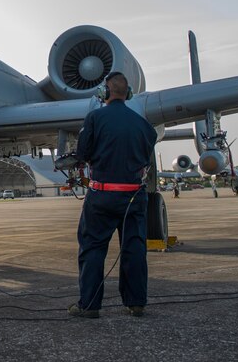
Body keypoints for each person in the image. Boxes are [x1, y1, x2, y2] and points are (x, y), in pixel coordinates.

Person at [68, 72, 158, 319]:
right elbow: (147, 153)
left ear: (104, 93)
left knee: (93, 248)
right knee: (134, 247)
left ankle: (89, 305)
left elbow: (84, 152)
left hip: (103, 196)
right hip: (134, 196)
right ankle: (136, 302)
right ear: (128, 94)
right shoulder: (144, 125)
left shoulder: (95, 117)